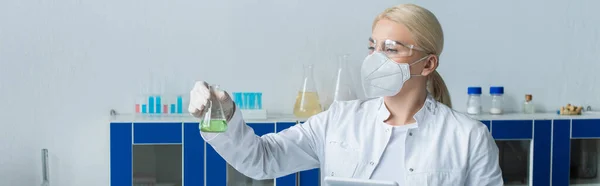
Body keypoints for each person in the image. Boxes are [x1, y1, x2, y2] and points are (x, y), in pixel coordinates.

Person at [188, 3, 502, 185]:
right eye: (373, 47)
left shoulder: (468, 138)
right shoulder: (339, 121)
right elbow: (262, 160)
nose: (376, 58)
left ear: (428, 63)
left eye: (391, 49)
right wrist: (223, 114)